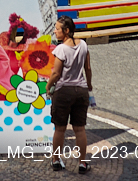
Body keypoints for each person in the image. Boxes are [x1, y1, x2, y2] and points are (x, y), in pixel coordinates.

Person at [45, 15, 93, 174]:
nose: (55, 31)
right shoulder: (84, 45)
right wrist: (89, 84)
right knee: (80, 129)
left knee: (60, 129)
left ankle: (56, 160)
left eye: (57, 29)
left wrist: (48, 86)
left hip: (64, 92)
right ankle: (83, 163)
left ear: (66, 31)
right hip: (81, 91)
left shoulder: (61, 49)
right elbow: (88, 69)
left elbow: (56, 73)